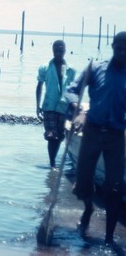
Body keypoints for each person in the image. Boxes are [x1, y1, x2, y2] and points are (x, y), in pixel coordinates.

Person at [65, 31, 125, 246]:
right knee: (82, 182)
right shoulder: (95, 68)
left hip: (117, 136)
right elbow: (72, 90)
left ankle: (109, 237)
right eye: (119, 48)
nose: (122, 52)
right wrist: (78, 109)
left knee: (115, 187)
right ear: (112, 46)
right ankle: (89, 208)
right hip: (92, 130)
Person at [36, 40, 76, 169]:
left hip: (63, 107)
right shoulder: (45, 68)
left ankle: (53, 161)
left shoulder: (71, 70)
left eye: (61, 50)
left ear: (64, 51)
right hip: (49, 106)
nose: (59, 53)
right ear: (53, 51)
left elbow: (73, 91)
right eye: (56, 50)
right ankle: (52, 162)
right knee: (51, 135)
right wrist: (37, 105)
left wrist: (74, 107)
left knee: (59, 137)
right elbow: (39, 86)